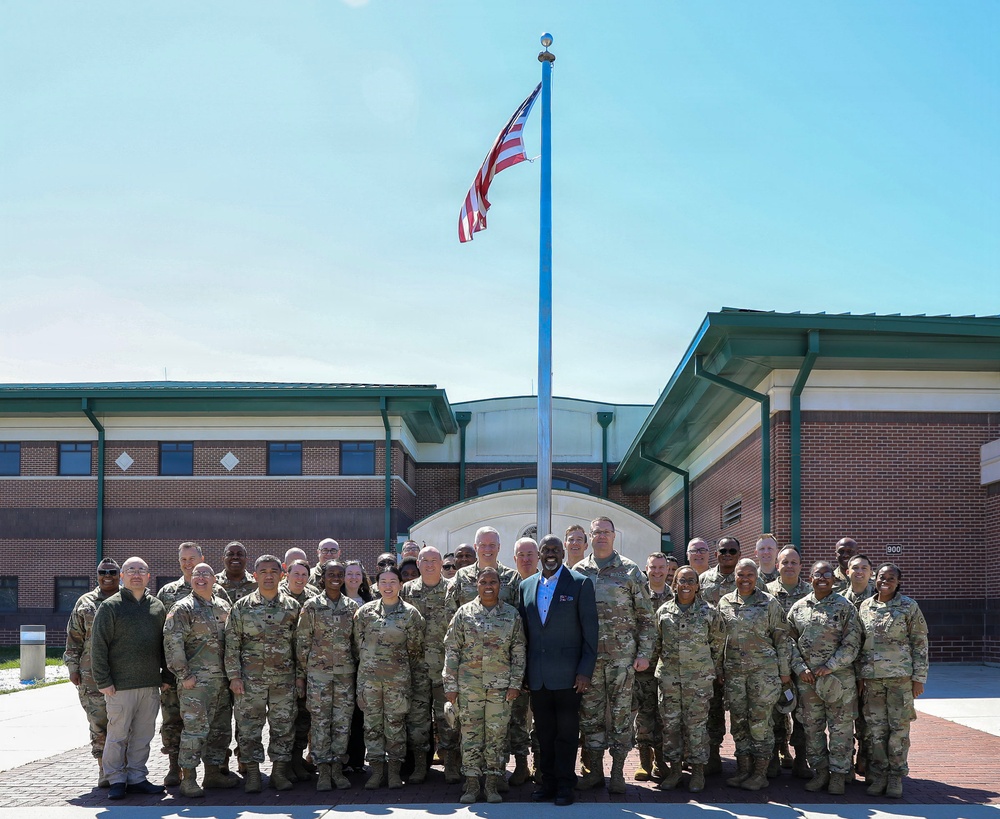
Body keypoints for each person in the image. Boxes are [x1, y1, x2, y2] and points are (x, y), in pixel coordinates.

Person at [574, 516, 655, 794]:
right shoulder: (579, 571)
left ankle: (618, 773)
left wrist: (644, 653)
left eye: (606, 532)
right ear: (590, 537)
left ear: (613, 536)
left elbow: (646, 617)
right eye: (597, 532)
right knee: (590, 716)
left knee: (621, 717)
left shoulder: (630, 571)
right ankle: (595, 772)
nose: (601, 537)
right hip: (590, 660)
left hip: (622, 659)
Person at [518, 534, 598, 807]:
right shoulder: (526, 586)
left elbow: (591, 632)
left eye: (555, 549)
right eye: (545, 550)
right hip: (537, 677)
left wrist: (585, 671)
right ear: (539, 554)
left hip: (568, 677)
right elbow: (524, 635)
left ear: (563, 553)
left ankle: (566, 784)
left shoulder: (579, 583)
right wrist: (523, 673)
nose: (550, 554)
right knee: (544, 735)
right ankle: (548, 782)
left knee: (566, 735)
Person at [444, 567, 526, 804]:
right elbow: (452, 650)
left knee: (496, 736)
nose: (488, 585)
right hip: (469, 687)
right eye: (483, 581)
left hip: (500, 688)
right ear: (476, 585)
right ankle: (471, 785)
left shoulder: (511, 615)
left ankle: (491, 785)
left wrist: (515, 684)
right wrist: (450, 684)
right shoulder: (464, 613)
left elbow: (518, 652)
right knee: (470, 735)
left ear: (500, 585)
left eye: (493, 581)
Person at [90, 556, 169, 800]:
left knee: (143, 734)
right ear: (122, 576)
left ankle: (136, 777)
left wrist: (166, 675)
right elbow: (98, 646)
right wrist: (103, 681)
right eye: (130, 570)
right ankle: (116, 779)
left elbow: (165, 644)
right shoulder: (110, 607)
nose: (136, 574)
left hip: (149, 684)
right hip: (119, 687)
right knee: (117, 735)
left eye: (141, 570)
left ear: (148, 576)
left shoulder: (157, 607)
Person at [224, 554, 301, 793]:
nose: (269, 576)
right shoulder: (242, 607)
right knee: (248, 728)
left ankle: (278, 773)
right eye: (264, 571)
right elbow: (232, 643)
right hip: (250, 680)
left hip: (284, 680)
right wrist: (234, 676)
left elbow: (301, 645)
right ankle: (254, 775)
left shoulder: (292, 607)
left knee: (284, 727)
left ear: (282, 575)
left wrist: (300, 677)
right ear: (255, 576)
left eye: (273, 571)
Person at [162, 562, 239, 797]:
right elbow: (172, 644)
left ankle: (213, 773)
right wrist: (184, 675)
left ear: (215, 579)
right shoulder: (183, 608)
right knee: (195, 731)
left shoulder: (224, 606)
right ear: (191, 579)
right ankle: (189, 778)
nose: (201, 578)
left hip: (222, 681)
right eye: (197, 574)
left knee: (220, 730)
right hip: (195, 683)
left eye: (206, 574)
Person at [787, 561, 863, 795]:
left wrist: (830, 666)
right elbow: (788, 642)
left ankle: (839, 774)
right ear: (810, 578)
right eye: (817, 574)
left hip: (839, 681)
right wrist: (800, 668)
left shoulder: (845, 607)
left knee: (841, 729)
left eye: (827, 575)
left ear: (834, 579)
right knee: (812, 728)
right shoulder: (799, 608)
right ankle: (820, 772)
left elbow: (853, 642)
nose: (822, 578)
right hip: (808, 681)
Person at [717, 558, 791, 792]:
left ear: (756, 576)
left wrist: (784, 673)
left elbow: (782, 639)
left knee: (760, 723)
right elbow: (719, 640)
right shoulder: (725, 602)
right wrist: (719, 668)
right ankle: (743, 770)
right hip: (735, 674)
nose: (745, 579)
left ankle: (760, 773)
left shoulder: (769, 603)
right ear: (735, 576)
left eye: (750, 574)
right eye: (741, 575)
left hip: (763, 674)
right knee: (739, 723)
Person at [857, 563, 929, 799]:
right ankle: (879, 775)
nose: (884, 581)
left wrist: (919, 678)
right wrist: (860, 676)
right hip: (873, 680)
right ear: (874, 579)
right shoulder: (866, 606)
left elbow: (920, 643)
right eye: (880, 577)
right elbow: (859, 644)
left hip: (900, 679)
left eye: (890, 578)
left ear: (898, 582)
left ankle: (896, 777)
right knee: (876, 731)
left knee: (898, 730)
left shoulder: (909, 607)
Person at [652, 566, 724, 793]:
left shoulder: (708, 612)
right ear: (674, 584)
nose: (686, 585)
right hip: (670, 679)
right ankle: (675, 771)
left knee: (696, 727)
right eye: (681, 580)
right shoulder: (663, 612)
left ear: (697, 585)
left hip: (698, 681)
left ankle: (698, 772)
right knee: (670, 726)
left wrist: (707, 668)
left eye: (690, 581)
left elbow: (718, 644)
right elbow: (657, 643)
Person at [353, 564, 425, 790]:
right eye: (383, 581)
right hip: (369, 681)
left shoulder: (411, 614)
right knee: (372, 725)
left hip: (397, 681)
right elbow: (357, 645)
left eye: (392, 581)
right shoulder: (365, 613)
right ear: (377, 585)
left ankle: (394, 771)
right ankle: (376, 771)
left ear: (400, 585)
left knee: (395, 725)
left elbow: (415, 649)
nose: (388, 586)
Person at [296, 560, 360, 792]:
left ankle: (337, 769)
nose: (335, 577)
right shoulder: (312, 606)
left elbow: (356, 645)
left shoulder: (352, 608)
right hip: (318, 676)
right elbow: (302, 644)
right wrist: (302, 675)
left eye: (339, 574)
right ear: (322, 577)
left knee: (342, 724)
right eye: (330, 573)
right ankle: (323, 771)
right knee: (321, 723)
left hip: (345, 676)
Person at [400, 546, 458, 784]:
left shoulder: (452, 589)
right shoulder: (406, 590)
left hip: (445, 669)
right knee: (417, 722)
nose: (430, 564)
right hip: (416, 669)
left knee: (448, 719)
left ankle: (451, 765)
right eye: (425, 560)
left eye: (435, 560)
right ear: (419, 564)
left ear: (441, 562)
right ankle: (421, 766)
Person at [64, 557, 120, 788]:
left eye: (112, 572)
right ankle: (104, 770)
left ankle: (122, 769)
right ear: (97, 574)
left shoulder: (127, 600)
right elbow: (74, 638)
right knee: (98, 723)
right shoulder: (85, 602)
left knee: (123, 723)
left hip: (123, 673)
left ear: (120, 575)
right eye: (102, 571)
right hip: (91, 675)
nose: (107, 575)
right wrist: (73, 667)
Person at [156, 541, 207, 786]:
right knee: (172, 720)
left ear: (202, 558)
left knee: (205, 721)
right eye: (184, 560)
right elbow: (158, 635)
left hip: (205, 672)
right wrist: (164, 674)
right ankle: (174, 768)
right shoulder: (167, 592)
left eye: (192, 558)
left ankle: (210, 769)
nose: (188, 563)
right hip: (173, 673)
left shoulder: (213, 589)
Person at [766, 546, 812, 778]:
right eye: (785, 562)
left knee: (802, 713)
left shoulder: (810, 592)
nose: (789, 566)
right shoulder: (766, 592)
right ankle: (774, 756)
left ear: (801, 566)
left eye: (794, 562)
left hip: (804, 665)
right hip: (773, 664)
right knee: (775, 712)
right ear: (777, 565)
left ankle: (801, 759)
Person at [633, 552, 674, 782]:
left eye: (661, 567)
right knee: (645, 717)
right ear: (646, 569)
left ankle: (661, 761)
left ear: (668, 569)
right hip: (644, 669)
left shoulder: (675, 595)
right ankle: (644, 763)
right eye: (653, 567)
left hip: (667, 668)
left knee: (664, 718)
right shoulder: (638, 595)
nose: (657, 572)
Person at [508, 536, 540, 785]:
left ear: (538, 557)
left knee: (541, 718)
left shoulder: (547, 583)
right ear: (514, 558)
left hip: (541, 663)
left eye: (531, 554)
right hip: (513, 664)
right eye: (521, 554)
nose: (526, 559)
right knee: (517, 718)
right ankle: (520, 765)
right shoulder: (506, 584)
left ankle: (540, 766)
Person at [843, 552, 876, 777]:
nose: (860, 571)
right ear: (847, 572)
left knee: (870, 721)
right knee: (843, 720)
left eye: (864, 567)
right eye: (855, 567)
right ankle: (845, 764)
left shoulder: (880, 598)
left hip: (872, 671)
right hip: (844, 670)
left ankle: (867, 761)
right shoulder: (839, 600)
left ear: (871, 573)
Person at [342, 559, 373, 771]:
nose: (354, 578)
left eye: (357, 574)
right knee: (342, 714)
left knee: (360, 714)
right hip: (341, 666)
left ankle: (356, 760)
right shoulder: (335, 601)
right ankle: (341, 760)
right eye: (349, 574)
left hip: (364, 667)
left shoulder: (370, 602)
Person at [446, 526, 521, 611]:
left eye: (492, 545)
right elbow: (451, 611)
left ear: (498, 547)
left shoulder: (513, 577)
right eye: (483, 545)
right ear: (475, 547)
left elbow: (519, 614)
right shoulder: (462, 576)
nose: (487, 549)